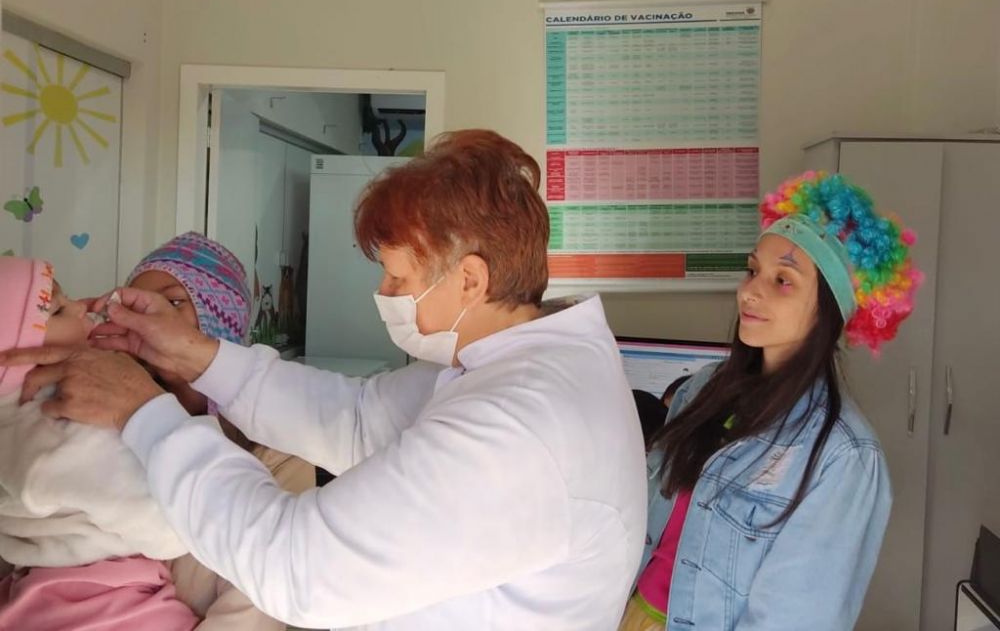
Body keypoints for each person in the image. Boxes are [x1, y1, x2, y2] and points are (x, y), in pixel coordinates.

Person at [6, 130, 649, 629]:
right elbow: (358, 417)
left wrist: (144, 413)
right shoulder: (507, 366)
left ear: (470, 280)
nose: (384, 291)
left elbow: (298, 568)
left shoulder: (521, 428)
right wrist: (196, 354)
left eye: (398, 277)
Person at [619, 170, 921, 631]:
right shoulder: (702, 390)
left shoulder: (843, 458)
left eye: (783, 280)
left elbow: (794, 618)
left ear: (828, 308)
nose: (749, 291)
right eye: (753, 270)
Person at [127, 231, 315, 630]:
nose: (149, 320)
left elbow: (257, 605)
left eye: (175, 302)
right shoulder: (112, 418)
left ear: (219, 318)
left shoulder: (278, 455)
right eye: (137, 305)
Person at [0, 256, 196, 630]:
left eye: (173, 303)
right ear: (17, 352)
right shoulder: (70, 425)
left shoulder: (277, 449)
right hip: (111, 607)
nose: (82, 307)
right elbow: (174, 529)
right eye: (57, 309)